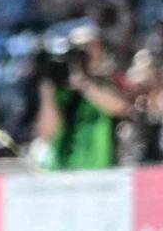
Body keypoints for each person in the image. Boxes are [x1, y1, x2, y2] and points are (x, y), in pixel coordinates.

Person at [35, 25, 134, 171]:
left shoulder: (110, 82)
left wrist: (84, 84)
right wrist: (47, 91)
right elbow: (47, 133)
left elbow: (121, 108)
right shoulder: (61, 91)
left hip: (100, 172)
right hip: (62, 172)